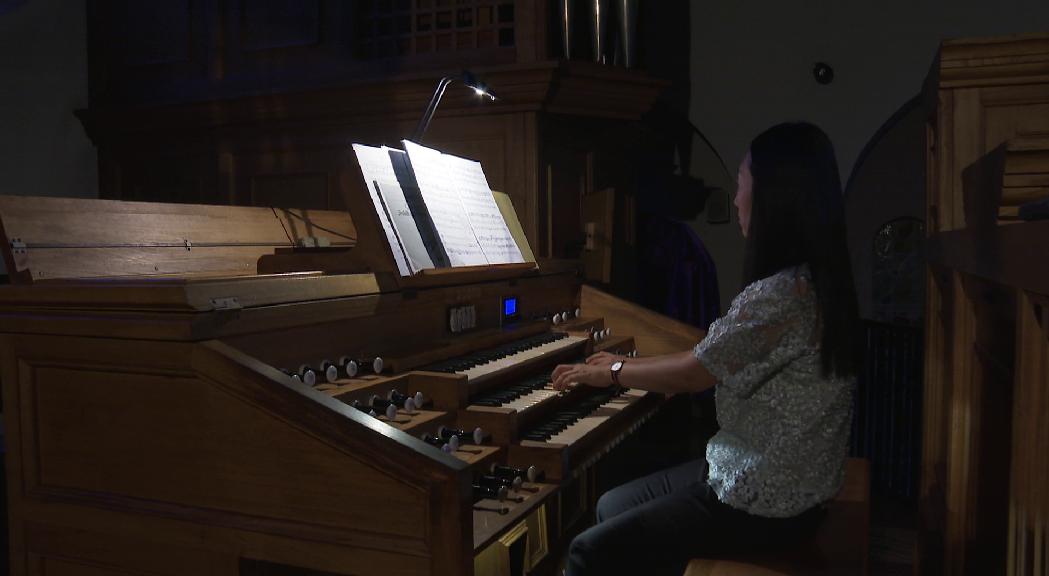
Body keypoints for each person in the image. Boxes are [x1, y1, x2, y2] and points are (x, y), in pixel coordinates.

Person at [551, 122, 859, 576]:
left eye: (741, 183)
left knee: (585, 551)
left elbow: (695, 372)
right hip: (775, 477)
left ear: (775, 195)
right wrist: (633, 366)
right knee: (611, 504)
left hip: (767, 500)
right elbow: (707, 354)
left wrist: (614, 370)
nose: (735, 199)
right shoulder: (811, 281)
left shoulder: (782, 294)